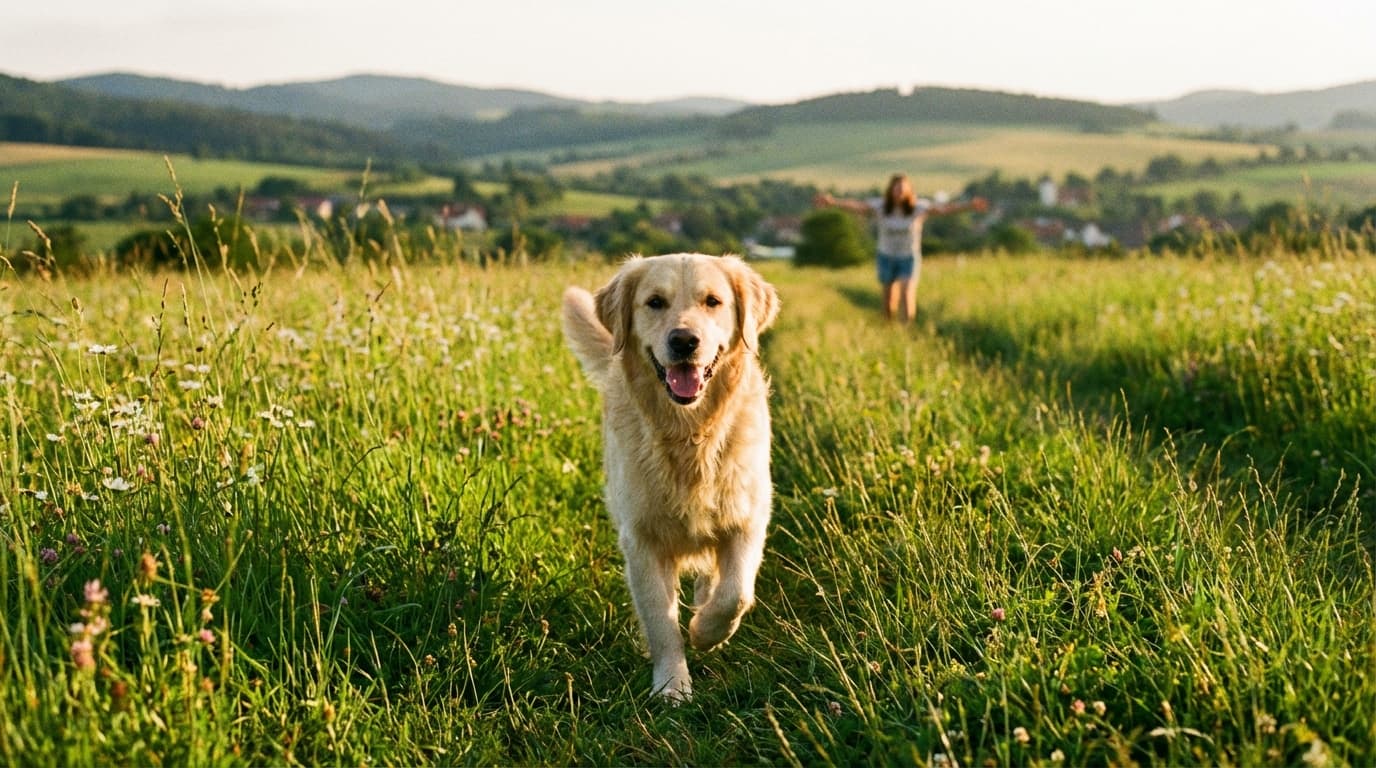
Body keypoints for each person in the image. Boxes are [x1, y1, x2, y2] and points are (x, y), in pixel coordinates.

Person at [816, 174, 987, 324]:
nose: (899, 192)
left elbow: (944, 209)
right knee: (889, 300)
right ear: (890, 191)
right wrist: (833, 202)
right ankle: (888, 326)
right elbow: (858, 207)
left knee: (907, 293)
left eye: (902, 189)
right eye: (896, 189)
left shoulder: (918, 208)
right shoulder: (881, 206)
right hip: (886, 255)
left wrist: (969, 206)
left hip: (908, 257)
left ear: (909, 191)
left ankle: (907, 329)